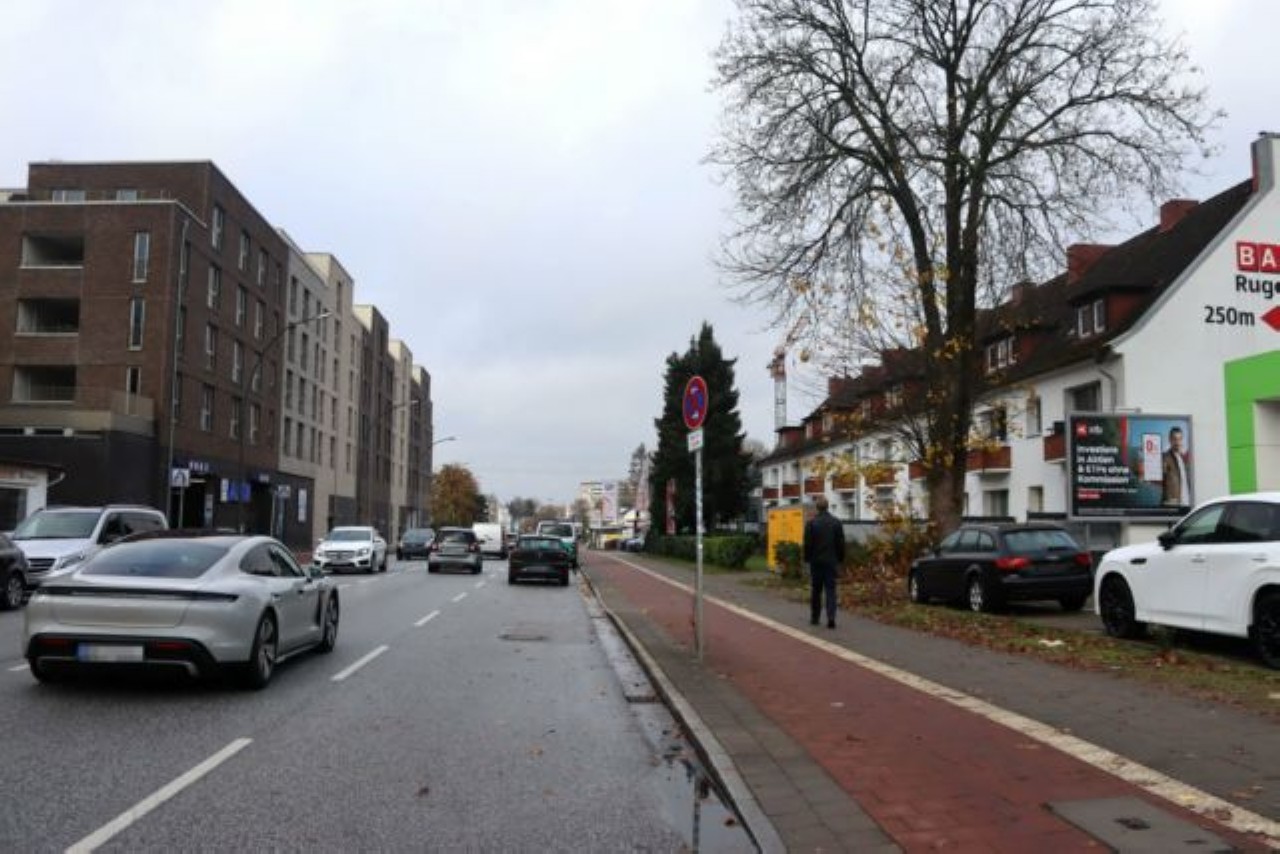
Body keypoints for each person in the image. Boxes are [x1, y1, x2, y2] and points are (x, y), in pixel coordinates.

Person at [803, 495, 846, 629]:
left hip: (816, 561)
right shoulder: (836, 523)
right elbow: (841, 544)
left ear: (817, 507)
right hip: (831, 561)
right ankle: (831, 617)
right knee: (831, 590)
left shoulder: (811, 523)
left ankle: (815, 617)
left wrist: (807, 559)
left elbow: (807, 544)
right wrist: (840, 559)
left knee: (816, 590)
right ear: (827, 507)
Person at [1161, 426, 1191, 507]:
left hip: (1186, 504)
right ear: (1170, 440)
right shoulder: (1165, 458)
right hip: (1173, 505)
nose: (1177, 442)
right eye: (1175, 439)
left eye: (1180, 439)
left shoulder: (1183, 459)